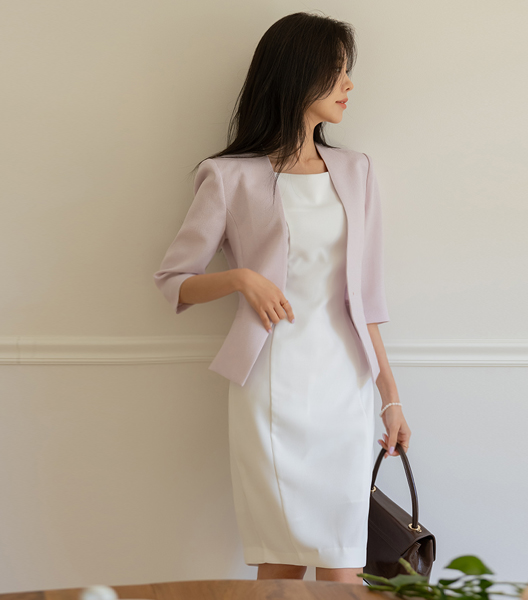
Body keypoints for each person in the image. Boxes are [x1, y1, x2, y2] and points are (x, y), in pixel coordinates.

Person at [153, 10, 411, 585]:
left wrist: (390, 399)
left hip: (345, 386)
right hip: (271, 385)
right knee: (281, 565)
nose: (349, 85)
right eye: (337, 72)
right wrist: (241, 279)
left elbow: (367, 299)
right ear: (299, 74)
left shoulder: (357, 171)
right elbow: (173, 280)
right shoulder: (228, 176)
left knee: (344, 567)